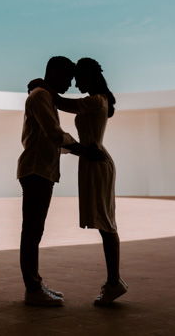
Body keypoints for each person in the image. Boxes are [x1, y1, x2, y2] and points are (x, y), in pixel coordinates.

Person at [51, 58, 127, 306]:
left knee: (106, 223)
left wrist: (42, 87)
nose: (74, 82)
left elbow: (62, 103)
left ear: (89, 77)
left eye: (78, 78)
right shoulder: (99, 100)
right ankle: (113, 281)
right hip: (92, 161)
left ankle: (114, 282)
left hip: (96, 162)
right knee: (106, 223)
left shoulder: (95, 100)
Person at [17, 56, 80, 307]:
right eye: (68, 78)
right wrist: (83, 150)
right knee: (32, 232)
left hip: (40, 171)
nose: (71, 84)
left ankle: (35, 285)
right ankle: (32, 289)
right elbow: (54, 134)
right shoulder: (41, 96)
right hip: (36, 171)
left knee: (34, 231)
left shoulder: (45, 95)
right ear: (54, 73)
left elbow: (52, 137)